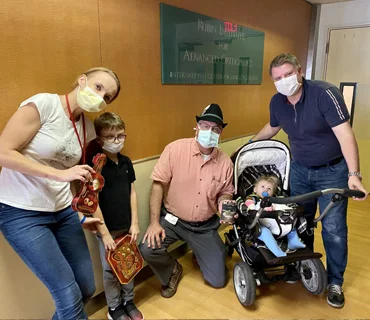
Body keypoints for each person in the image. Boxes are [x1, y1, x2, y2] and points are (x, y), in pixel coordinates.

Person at [0, 67, 120, 319]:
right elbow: (3, 152)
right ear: (82, 79)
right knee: (68, 295)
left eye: (107, 97)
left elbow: (76, 177)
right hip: (22, 213)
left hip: (63, 211)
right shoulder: (44, 104)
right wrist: (59, 175)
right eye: (98, 87)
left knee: (86, 287)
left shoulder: (86, 127)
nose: (100, 97)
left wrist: (82, 214)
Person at [251, 53, 368, 308]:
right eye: (278, 78)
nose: (284, 81)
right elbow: (272, 128)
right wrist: (249, 147)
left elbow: (345, 135)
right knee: (297, 222)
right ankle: (304, 266)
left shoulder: (324, 94)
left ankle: (335, 281)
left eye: (288, 74)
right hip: (300, 170)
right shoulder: (277, 102)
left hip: (332, 170)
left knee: (334, 229)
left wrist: (354, 175)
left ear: (299, 71)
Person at [140, 103, 234, 298]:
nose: (210, 132)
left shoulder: (225, 162)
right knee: (148, 248)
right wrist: (154, 223)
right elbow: (157, 185)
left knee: (218, 280)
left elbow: (225, 192)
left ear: (221, 132)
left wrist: (225, 206)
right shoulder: (175, 149)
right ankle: (173, 271)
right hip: (173, 221)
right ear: (197, 127)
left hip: (204, 226)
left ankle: (204, 254)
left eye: (215, 129)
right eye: (205, 126)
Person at [87, 112, 143, 320]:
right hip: (107, 230)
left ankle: (129, 301)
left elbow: (132, 192)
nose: (117, 140)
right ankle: (114, 307)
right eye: (111, 137)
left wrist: (135, 223)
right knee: (111, 270)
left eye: (120, 135)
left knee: (128, 264)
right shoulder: (97, 168)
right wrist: (105, 234)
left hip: (127, 227)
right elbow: (92, 201)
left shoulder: (126, 162)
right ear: (100, 140)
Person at [245, 175, 305, 258]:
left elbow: (285, 205)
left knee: (291, 221)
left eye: (269, 189)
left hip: (278, 221)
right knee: (264, 231)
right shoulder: (254, 198)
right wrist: (252, 209)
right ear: (255, 189)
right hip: (261, 222)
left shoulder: (275, 199)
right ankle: (276, 250)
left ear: (273, 193)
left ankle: (293, 241)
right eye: (262, 186)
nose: (265, 189)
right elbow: (248, 203)